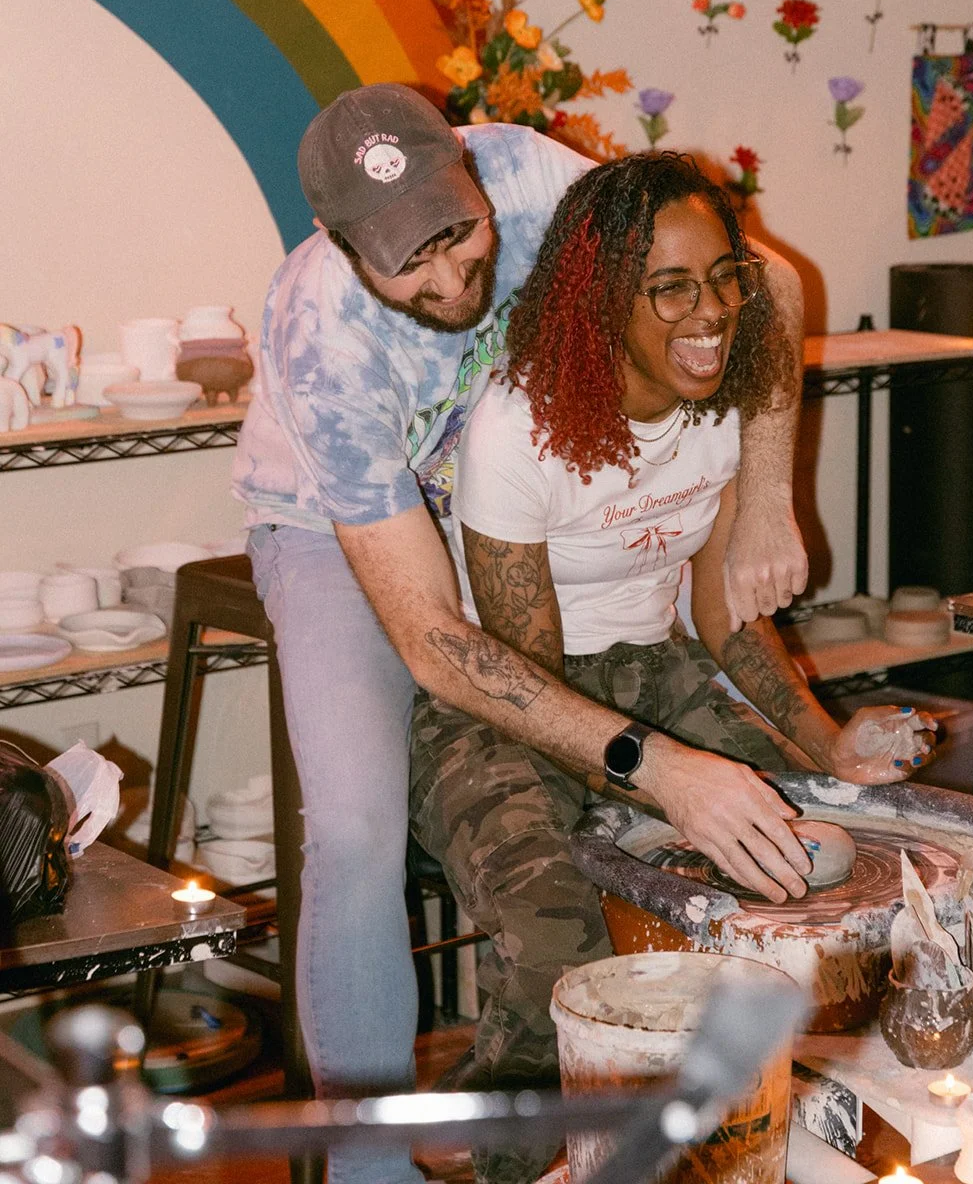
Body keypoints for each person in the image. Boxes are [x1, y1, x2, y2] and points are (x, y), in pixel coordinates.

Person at [232, 87, 810, 1184]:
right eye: (411, 264)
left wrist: (767, 506)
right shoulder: (319, 340)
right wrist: (655, 764)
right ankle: (368, 1172)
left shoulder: (535, 174)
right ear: (339, 245)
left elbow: (766, 281)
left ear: (475, 178)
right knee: (356, 828)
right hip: (337, 518)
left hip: (489, 475)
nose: (452, 278)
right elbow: (434, 641)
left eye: (461, 234)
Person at [410, 153, 936, 1184]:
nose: (711, 314)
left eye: (723, 280)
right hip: (509, 707)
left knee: (828, 856)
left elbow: (719, 614)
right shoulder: (519, 429)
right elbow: (526, 681)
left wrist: (822, 742)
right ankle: (520, 1162)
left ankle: (765, 1140)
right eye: (671, 287)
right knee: (554, 929)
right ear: (602, 298)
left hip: (658, 669)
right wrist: (654, 802)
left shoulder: (721, 403)